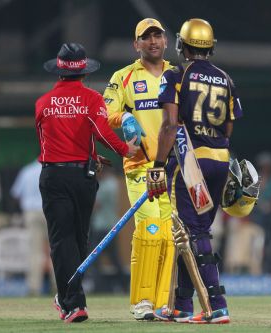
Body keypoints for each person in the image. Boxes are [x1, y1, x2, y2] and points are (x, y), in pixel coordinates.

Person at [148, 18, 243, 324]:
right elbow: (229, 125)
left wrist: (159, 166)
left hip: (191, 162)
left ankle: (217, 305)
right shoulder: (226, 78)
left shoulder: (176, 75)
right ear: (210, 47)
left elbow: (170, 125)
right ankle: (183, 306)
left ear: (182, 44)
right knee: (194, 232)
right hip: (220, 159)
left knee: (192, 233)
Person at [36, 42, 138, 323]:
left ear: (59, 71)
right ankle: (74, 299)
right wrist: (124, 150)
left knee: (61, 239)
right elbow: (102, 132)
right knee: (79, 238)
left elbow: (48, 142)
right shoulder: (92, 99)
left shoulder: (42, 103)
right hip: (83, 176)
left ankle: (72, 303)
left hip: (54, 175)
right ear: (83, 71)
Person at [103, 18, 174, 320]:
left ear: (166, 41)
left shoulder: (176, 74)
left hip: (174, 168)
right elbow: (105, 110)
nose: (153, 41)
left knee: (169, 236)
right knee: (150, 230)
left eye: (157, 36)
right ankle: (143, 301)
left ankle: (163, 303)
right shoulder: (124, 76)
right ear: (137, 44)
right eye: (146, 38)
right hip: (140, 166)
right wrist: (123, 119)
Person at [10, 159, 55, 295]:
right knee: (55, 249)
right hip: (50, 211)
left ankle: (34, 288)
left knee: (34, 251)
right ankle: (59, 286)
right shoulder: (53, 169)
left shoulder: (26, 170)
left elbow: (15, 194)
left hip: (31, 213)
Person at [88, 167, 127, 292]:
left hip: (101, 226)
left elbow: (95, 205)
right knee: (114, 259)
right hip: (111, 226)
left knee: (94, 259)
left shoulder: (105, 186)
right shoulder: (114, 183)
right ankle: (124, 284)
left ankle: (99, 287)